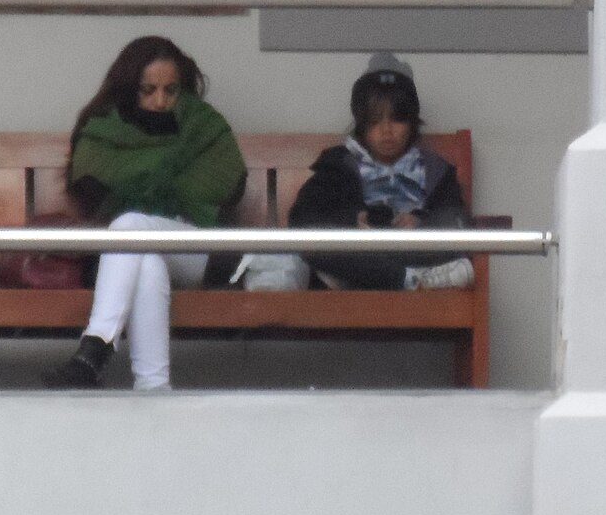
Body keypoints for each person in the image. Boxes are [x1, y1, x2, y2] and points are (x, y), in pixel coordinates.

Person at [42, 36, 247, 390]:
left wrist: (146, 178)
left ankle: (95, 349)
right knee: (145, 254)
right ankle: (153, 390)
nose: (160, 101)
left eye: (171, 90)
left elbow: (223, 184)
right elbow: (93, 189)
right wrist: (161, 173)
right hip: (128, 254)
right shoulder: (105, 129)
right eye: (148, 90)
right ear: (127, 88)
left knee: (131, 224)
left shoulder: (204, 126)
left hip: (192, 247)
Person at [286, 52, 474, 292]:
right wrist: (350, 222)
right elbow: (303, 218)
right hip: (358, 257)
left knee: (453, 226)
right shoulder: (339, 166)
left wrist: (420, 222)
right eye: (375, 121)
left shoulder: (434, 169)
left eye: (397, 119)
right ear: (361, 126)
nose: (386, 131)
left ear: (412, 122)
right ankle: (409, 280)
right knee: (317, 239)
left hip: (410, 251)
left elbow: (455, 219)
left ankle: (407, 276)